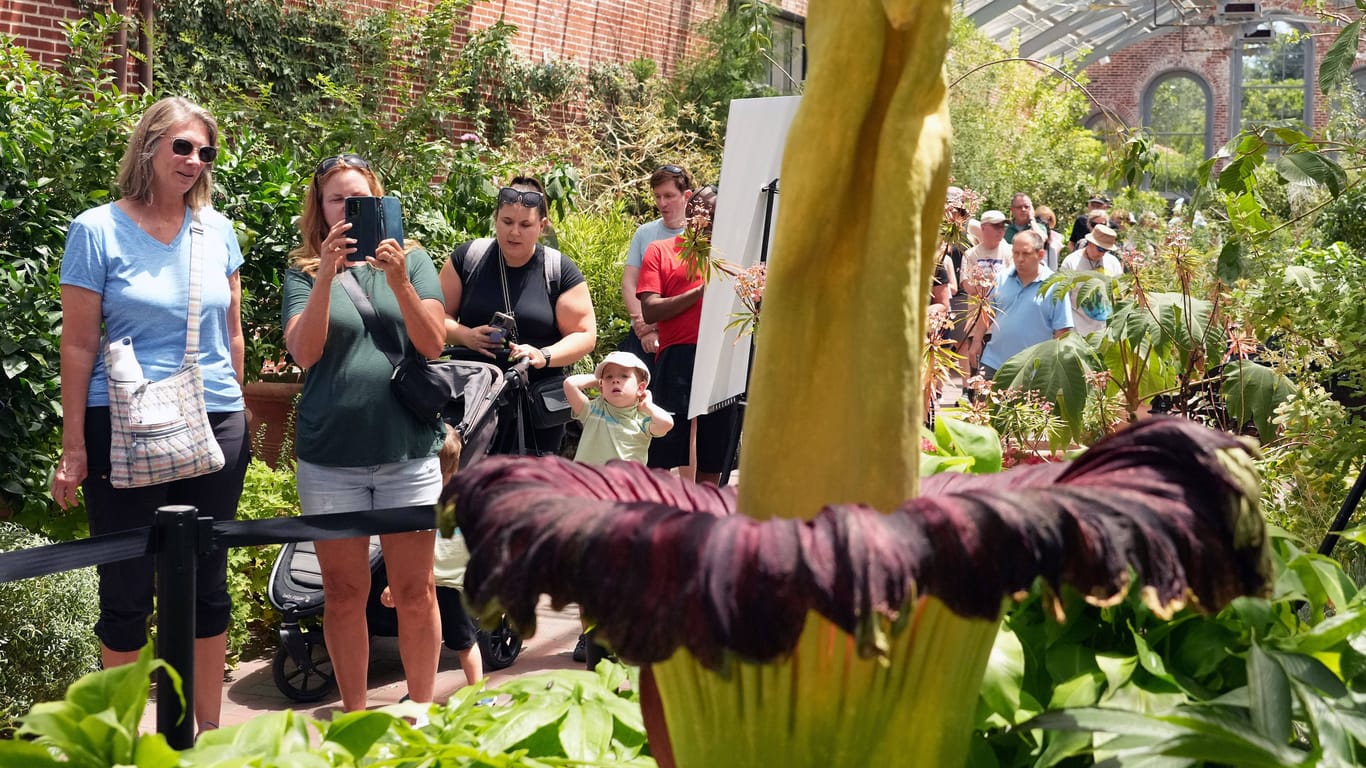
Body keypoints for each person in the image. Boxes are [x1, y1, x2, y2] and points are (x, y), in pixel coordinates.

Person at [51, 96, 249, 735]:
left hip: (214, 418)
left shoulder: (218, 231)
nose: (194, 161)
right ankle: (125, 739)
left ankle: (206, 738)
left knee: (207, 586)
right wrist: (74, 446)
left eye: (205, 152)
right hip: (125, 422)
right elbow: (78, 345)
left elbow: (233, 333)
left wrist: (237, 403)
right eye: (182, 147)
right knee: (128, 588)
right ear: (150, 147)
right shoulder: (97, 230)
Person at [282, 153, 447, 713]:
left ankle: (420, 710)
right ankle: (354, 715)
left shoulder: (415, 262)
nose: (348, 209)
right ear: (321, 208)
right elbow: (304, 354)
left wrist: (398, 281)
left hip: (406, 452)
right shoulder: (302, 270)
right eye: (337, 199)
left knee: (414, 591)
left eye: (360, 199)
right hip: (332, 457)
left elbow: (432, 344)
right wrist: (327, 272)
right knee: (344, 594)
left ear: (379, 201)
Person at [439, 181, 597, 456]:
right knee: (469, 486)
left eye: (525, 225)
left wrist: (543, 355)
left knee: (529, 490)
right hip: (471, 401)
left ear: (542, 225)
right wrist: (466, 335)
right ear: (495, 219)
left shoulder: (558, 269)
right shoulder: (468, 258)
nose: (514, 232)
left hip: (537, 406)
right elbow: (435, 317)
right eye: (507, 221)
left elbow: (585, 334)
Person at [637, 185, 740, 486]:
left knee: (714, 448)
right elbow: (650, 311)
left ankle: (704, 515)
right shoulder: (661, 250)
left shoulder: (734, 259)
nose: (705, 218)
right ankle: (658, 509)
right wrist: (700, 292)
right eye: (700, 209)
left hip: (722, 357)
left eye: (714, 213)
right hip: (677, 355)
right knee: (665, 442)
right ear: (689, 207)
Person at [619, 165, 695, 373]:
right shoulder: (645, 233)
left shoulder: (700, 237)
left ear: (686, 196)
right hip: (641, 333)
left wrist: (655, 326)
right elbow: (629, 283)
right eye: (657, 196)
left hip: (681, 339)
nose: (662, 203)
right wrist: (642, 327)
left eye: (669, 195)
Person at [979, 231, 1074, 380]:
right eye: (1015, 253)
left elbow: (1062, 330)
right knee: (984, 403)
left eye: (1026, 254)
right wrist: (976, 342)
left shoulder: (1055, 286)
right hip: (994, 363)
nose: (1019, 259)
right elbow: (987, 314)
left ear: (1040, 254)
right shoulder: (1001, 279)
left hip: (1033, 370)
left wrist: (1054, 366)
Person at [565, 350, 674, 465]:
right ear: (601, 389)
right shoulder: (592, 410)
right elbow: (570, 384)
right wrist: (599, 380)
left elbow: (666, 423)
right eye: (609, 376)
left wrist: (648, 406)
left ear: (640, 388)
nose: (615, 380)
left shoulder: (642, 418)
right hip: (588, 480)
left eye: (624, 376)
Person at [956, 209, 1012, 377]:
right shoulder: (971, 254)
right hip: (976, 321)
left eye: (1003, 227)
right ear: (984, 228)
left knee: (1002, 374)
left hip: (1003, 323)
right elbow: (969, 287)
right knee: (979, 375)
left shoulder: (1010, 252)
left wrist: (985, 281)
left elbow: (1011, 286)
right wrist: (992, 282)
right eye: (996, 227)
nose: (1001, 231)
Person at [1060, 223, 1122, 337]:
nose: (1102, 254)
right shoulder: (1071, 262)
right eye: (1100, 249)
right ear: (1090, 242)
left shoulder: (1113, 262)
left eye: (1106, 250)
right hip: (1077, 328)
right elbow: (1062, 299)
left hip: (1103, 331)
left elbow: (1119, 294)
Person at [1033, 204, 1065, 271]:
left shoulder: (1057, 237)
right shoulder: (1031, 233)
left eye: (1049, 219)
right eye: (1040, 219)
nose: (1045, 223)